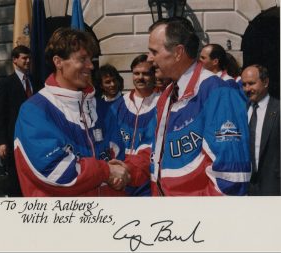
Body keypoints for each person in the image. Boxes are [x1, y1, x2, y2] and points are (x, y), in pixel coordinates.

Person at [112, 18, 251, 196]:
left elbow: (232, 177)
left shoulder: (219, 92)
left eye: (154, 51)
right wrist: (127, 171)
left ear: (178, 52)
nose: (149, 58)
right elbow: (152, 152)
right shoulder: (166, 96)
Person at [14, 27, 129, 197]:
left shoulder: (101, 107)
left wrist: (120, 174)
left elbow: (119, 158)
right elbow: (56, 172)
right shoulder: (34, 111)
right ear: (58, 62)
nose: (90, 66)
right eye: (82, 59)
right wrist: (105, 171)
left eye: (91, 59)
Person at [108, 54, 158, 196]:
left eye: (146, 74)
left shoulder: (162, 104)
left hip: (147, 180)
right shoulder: (117, 105)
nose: (140, 77)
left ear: (154, 75)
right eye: (136, 73)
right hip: (118, 177)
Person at [0, 45, 34, 196]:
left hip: (34, 140)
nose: (28, 61)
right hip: (14, 140)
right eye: (24, 58)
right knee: (16, 179)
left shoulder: (35, 81)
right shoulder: (5, 83)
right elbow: (0, 114)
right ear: (15, 60)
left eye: (29, 58)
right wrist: (1, 141)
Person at [241, 64, 280, 195]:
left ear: (265, 82)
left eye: (251, 83)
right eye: (244, 84)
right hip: (245, 186)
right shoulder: (241, 110)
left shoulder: (278, 109)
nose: (247, 88)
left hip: (274, 187)